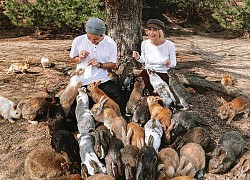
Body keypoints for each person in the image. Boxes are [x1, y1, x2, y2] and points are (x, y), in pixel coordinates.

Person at [69, 17, 126, 117]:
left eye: (95, 39)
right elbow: (71, 59)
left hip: (102, 81)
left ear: (102, 34)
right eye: (89, 38)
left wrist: (100, 65)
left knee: (120, 98)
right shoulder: (78, 40)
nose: (92, 41)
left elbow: (113, 64)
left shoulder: (110, 43)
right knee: (73, 110)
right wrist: (80, 58)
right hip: (82, 81)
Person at [132, 19, 177, 95]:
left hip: (162, 74)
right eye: (149, 29)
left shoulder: (169, 45)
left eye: (154, 30)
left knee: (156, 97)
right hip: (147, 73)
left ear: (160, 32)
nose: (151, 33)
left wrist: (169, 63)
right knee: (138, 92)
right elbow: (144, 60)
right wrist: (138, 57)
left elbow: (174, 64)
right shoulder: (145, 44)